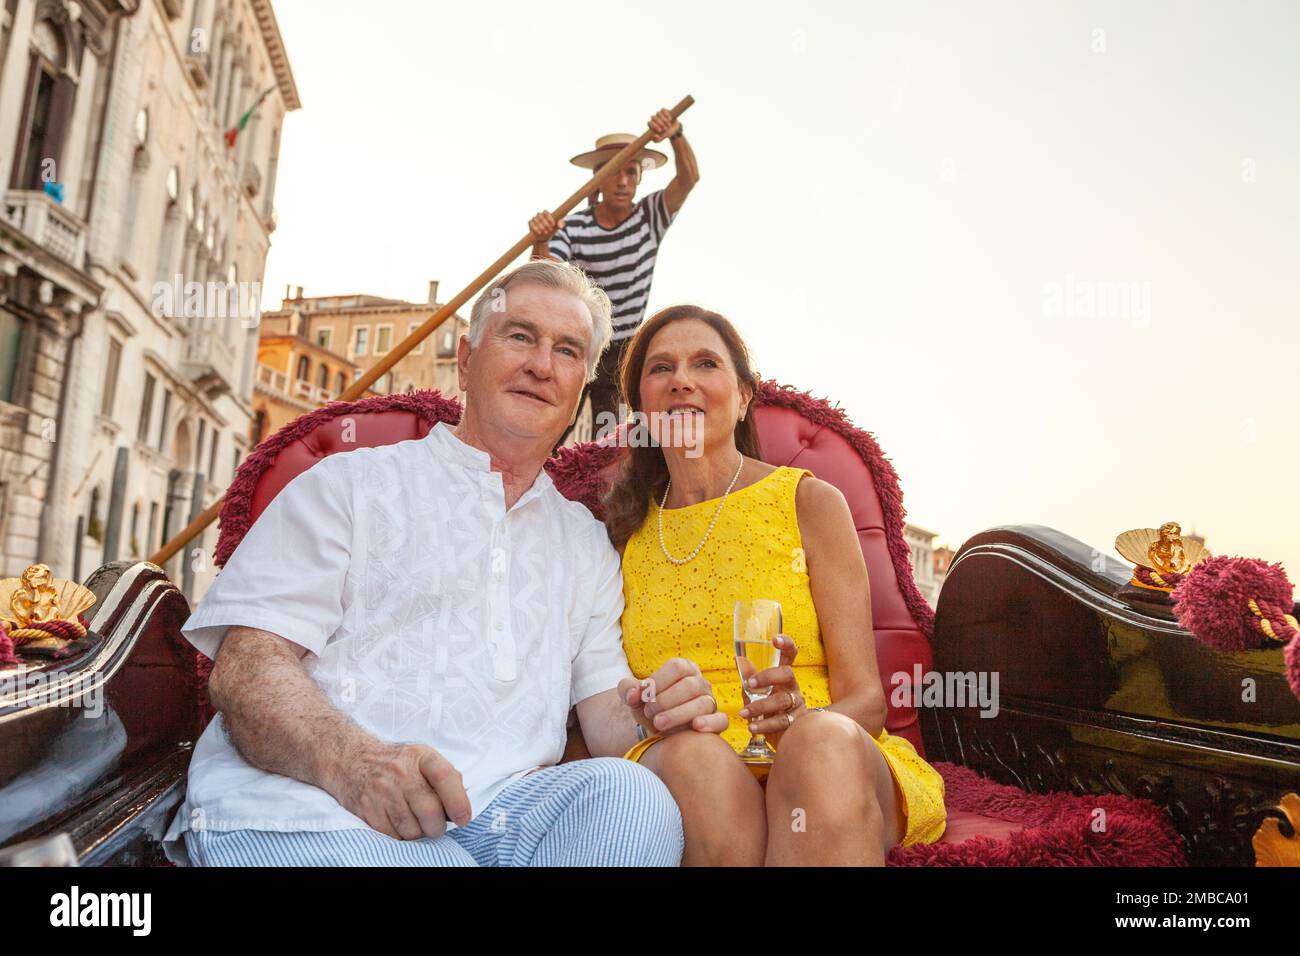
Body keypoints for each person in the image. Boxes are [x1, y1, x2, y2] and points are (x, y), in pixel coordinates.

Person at [163, 260, 727, 867]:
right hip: (313, 809)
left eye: (567, 351)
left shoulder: (585, 542)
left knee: (632, 796)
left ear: (579, 395)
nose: (542, 364)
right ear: (465, 361)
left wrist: (648, 710)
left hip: (505, 817)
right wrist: (354, 761)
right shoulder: (349, 486)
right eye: (519, 336)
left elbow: (604, 713)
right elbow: (247, 668)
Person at [603, 305, 948, 866]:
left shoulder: (809, 503)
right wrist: (648, 706)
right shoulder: (620, 533)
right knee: (695, 759)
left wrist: (801, 723)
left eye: (705, 363)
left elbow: (866, 700)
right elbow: (605, 695)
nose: (682, 380)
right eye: (661, 368)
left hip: (824, 758)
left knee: (819, 744)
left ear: (743, 397)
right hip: (693, 763)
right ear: (640, 407)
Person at [529, 108, 699, 441]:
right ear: (598, 179)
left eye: (631, 172)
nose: (622, 181)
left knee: (614, 439)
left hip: (625, 353)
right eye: (613, 172)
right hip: (579, 344)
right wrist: (541, 239)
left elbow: (688, 179)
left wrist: (676, 135)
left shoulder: (650, 217)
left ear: (638, 178)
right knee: (551, 432)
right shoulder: (574, 226)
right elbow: (541, 277)